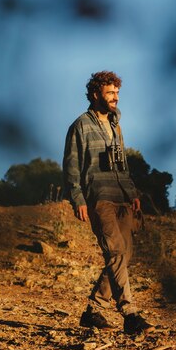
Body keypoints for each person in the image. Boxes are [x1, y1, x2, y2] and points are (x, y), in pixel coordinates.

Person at [63, 71, 154, 335]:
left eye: (117, 93)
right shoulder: (79, 126)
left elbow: (121, 164)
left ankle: (93, 310)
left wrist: (132, 193)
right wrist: (77, 198)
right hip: (99, 198)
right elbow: (70, 167)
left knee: (125, 255)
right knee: (114, 253)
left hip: (122, 198)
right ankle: (130, 314)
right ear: (95, 95)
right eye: (110, 93)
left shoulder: (115, 125)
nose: (115, 98)